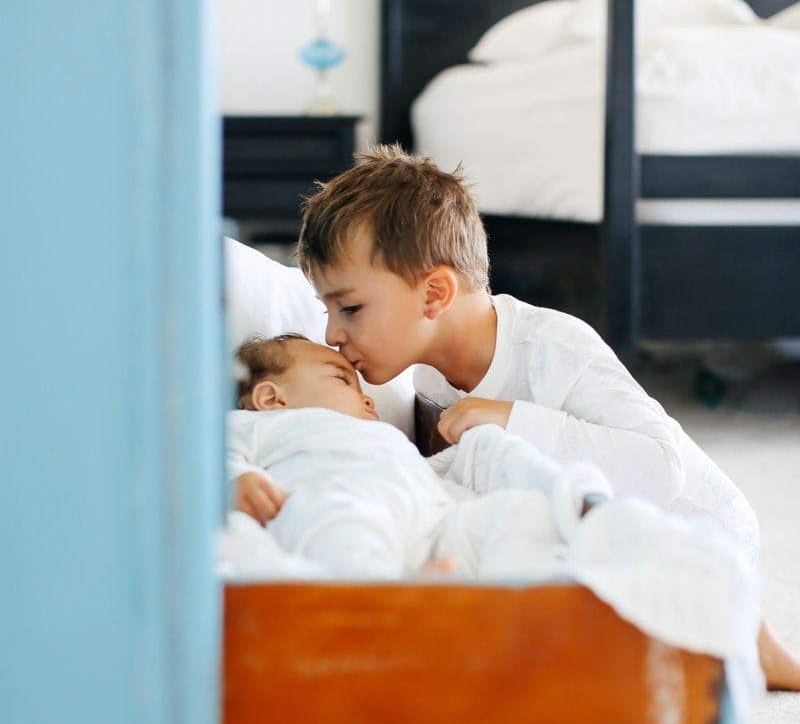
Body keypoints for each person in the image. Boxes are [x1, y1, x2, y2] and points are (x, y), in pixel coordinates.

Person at [293, 143, 800, 691]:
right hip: (577, 532)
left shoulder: (553, 346)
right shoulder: (424, 377)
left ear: (434, 293)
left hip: (695, 533)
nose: (331, 335)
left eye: (349, 308)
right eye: (326, 311)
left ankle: (746, 634)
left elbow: (660, 466)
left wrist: (511, 418)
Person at [229, 333, 613, 580]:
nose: (365, 397)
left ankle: (541, 586)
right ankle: (389, 602)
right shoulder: (258, 425)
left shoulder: (383, 435)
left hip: (431, 518)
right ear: (271, 398)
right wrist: (235, 482)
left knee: (521, 513)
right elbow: (200, 465)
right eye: (342, 379)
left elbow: (429, 468)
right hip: (338, 498)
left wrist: (462, 461)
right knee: (342, 532)